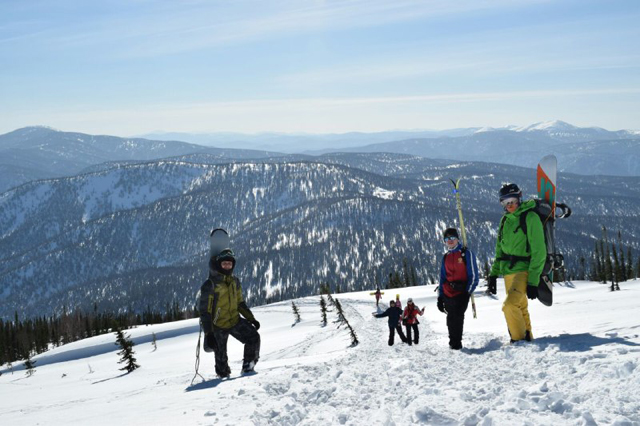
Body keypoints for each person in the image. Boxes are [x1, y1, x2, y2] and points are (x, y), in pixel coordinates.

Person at [488, 184, 546, 343]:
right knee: (520, 307)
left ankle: (518, 341)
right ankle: (528, 339)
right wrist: (493, 275)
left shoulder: (530, 218)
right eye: (505, 203)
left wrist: (533, 280)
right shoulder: (504, 220)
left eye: (513, 201)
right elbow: (499, 249)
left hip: (524, 271)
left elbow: (539, 252)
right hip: (508, 271)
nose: (510, 205)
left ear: (520, 199)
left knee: (509, 306)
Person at [199, 249, 261, 378]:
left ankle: (248, 368)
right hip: (218, 326)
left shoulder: (235, 282)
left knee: (253, 337)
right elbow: (205, 311)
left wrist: (251, 318)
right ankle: (222, 378)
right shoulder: (210, 285)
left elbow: (240, 303)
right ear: (218, 264)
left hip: (234, 321)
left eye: (229, 264)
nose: (227, 266)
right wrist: (209, 333)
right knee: (221, 362)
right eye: (224, 264)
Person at [437, 228, 479, 350]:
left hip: (461, 293)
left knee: (457, 316)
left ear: (457, 239)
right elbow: (442, 278)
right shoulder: (445, 257)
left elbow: (474, 276)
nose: (449, 241)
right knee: (450, 317)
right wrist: (440, 297)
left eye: (452, 238)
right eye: (447, 239)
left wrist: (467, 293)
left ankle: (456, 344)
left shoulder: (466, 254)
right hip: (447, 292)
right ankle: (453, 343)